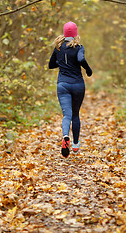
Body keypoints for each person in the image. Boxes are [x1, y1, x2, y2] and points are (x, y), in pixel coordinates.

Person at [48, 21, 92, 157]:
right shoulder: (79, 47)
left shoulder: (58, 48)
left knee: (67, 115)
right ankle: (75, 144)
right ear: (75, 33)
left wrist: (61, 63)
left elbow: (51, 65)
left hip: (63, 85)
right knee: (75, 114)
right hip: (78, 85)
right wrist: (88, 70)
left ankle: (66, 136)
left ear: (64, 33)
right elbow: (81, 59)